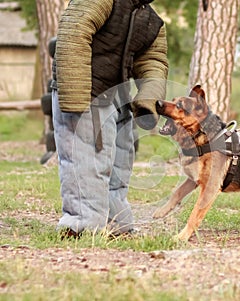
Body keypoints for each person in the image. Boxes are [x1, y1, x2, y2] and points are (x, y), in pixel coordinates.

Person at [51, 0, 168, 238]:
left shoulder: (152, 21)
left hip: (118, 97)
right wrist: (77, 102)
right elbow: (74, 31)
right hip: (85, 92)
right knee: (86, 161)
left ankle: (117, 226)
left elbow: (153, 61)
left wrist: (148, 98)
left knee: (120, 164)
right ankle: (82, 227)